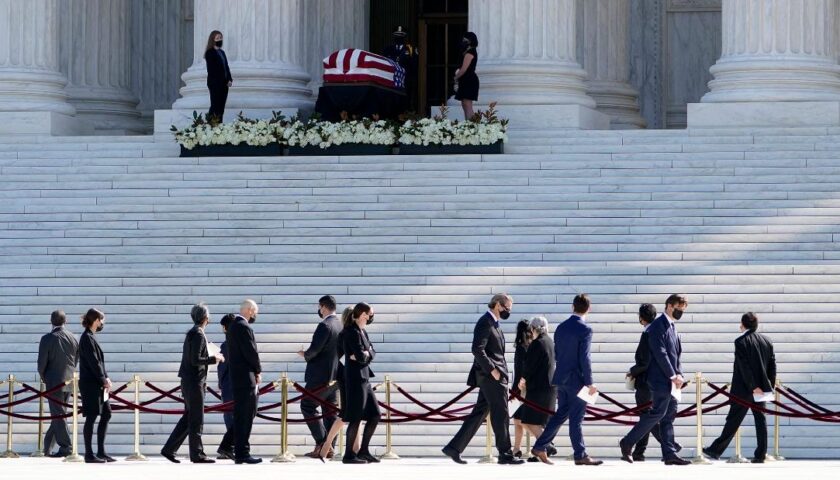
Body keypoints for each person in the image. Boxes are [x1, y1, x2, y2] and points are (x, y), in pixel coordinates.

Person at [442, 293, 524, 465]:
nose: (508, 311)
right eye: (507, 308)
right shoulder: (485, 322)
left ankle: (454, 447)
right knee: (501, 414)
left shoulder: (494, 323)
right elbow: (477, 349)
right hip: (492, 377)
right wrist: (493, 370)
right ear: (497, 305)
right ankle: (505, 453)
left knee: (479, 413)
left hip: (493, 377)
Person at [531, 295, 603, 466]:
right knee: (576, 419)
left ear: (573, 307)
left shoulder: (561, 327)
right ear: (589, 309)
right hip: (577, 381)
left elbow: (558, 354)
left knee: (560, 415)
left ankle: (540, 446)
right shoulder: (585, 329)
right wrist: (589, 382)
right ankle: (580, 454)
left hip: (561, 378)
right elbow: (585, 358)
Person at [620, 294, 690, 466]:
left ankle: (669, 454)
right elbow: (660, 353)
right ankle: (627, 442)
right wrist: (672, 375)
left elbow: (676, 355)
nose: (681, 312)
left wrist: (679, 374)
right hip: (660, 379)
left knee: (667, 417)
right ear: (669, 306)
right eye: (678, 308)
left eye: (683, 310)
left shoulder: (672, 327)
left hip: (672, 381)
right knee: (658, 413)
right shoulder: (658, 326)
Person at [704, 312, 776, 463]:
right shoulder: (767, 341)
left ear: (743, 324)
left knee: (733, 420)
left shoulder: (740, 341)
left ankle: (715, 450)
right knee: (760, 421)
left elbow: (744, 367)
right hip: (762, 390)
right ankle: (760, 454)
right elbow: (772, 366)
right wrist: (769, 385)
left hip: (744, 389)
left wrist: (753, 386)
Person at [161, 304, 225, 464]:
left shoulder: (194, 333)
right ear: (206, 318)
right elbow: (195, 360)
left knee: (189, 418)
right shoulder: (198, 334)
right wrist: (213, 359)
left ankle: (169, 449)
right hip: (194, 382)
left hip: (190, 381)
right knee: (196, 419)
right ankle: (197, 454)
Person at [626, 303, 676, 461]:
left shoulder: (648, 334)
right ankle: (641, 451)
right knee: (650, 416)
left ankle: (668, 444)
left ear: (641, 318)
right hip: (654, 381)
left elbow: (645, 361)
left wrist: (633, 371)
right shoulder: (657, 330)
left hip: (646, 382)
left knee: (649, 416)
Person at [298, 295, 342, 458]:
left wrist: (305, 355)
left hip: (320, 376)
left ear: (323, 307)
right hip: (335, 375)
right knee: (330, 412)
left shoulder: (324, 325)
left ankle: (323, 443)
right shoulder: (340, 324)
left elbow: (315, 349)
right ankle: (329, 446)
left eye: (320, 307)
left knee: (307, 405)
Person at [317, 307, 362, 462]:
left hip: (349, 376)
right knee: (346, 414)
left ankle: (355, 449)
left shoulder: (349, 332)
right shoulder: (347, 334)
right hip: (348, 378)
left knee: (353, 414)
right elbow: (347, 356)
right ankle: (328, 444)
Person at [341, 303, 381, 464]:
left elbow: (371, 352)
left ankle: (364, 450)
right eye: (370, 314)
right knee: (355, 417)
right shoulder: (351, 332)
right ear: (363, 314)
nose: (372, 317)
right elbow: (361, 356)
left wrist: (367, 352)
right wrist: (366, 353)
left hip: (364, 378)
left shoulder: (362, 331)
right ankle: (349, 455)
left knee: (375, 414)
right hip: (355, 379)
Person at [37, 310, 79, 458]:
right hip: (70, 380)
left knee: (58, 414)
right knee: (59, 414)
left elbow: (41, 363)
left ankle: (66, 447)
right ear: (65, 321)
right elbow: (76, 360)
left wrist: (43, 377)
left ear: (51, 321)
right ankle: (47, 446)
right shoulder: (74, 337)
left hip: (54, 381)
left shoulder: (47, 338)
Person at [227, 299, 262, 464]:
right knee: (246, 416)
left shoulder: (233, 326)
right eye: (255, 311)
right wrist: (258, 370)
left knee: (241, 416)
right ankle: (243, 452)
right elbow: (251, 352)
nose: (255, 315)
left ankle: (239, 451)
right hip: (246, 377)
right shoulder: (244, 326)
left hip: (237, 377)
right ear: (249, 310)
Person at [517, 317, 557, 462]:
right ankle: (545, 447)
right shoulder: (550, 342)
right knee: (538, 421)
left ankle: (546, 444)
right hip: (551, 387)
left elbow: (529, 365)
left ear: (534, 329)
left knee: (527, 420)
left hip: (539, 388)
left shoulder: (537, 344)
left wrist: (523, 379)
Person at [78, 308, 114, 463]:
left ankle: (101, 451)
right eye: (102, 320)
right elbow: (94, 362)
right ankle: (89, 454)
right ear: (96, 320)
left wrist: (106, 377)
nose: (103, 323)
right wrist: (103, 379)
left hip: (97, 383)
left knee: (106, 414)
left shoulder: (91, 337)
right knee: (91, 417)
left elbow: (99, 362)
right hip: (90, 384)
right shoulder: (86, 338)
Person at [382, 26, 418, 112]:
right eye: (397, 35)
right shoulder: (388, 49)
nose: (399, 37)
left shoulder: (410, 49)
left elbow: (414, 65)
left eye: (401, 35)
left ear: (405, 36)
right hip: (391, 78)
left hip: (406, 80)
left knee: (405, 100)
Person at [216, 313, 237, 460]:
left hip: (230, 385)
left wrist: (220, 383)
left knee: (230, 416)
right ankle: (230, 447)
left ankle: (228, 447)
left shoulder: (227, 344)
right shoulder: (239, 342)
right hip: (238, 385)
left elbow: (223, 368)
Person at [511, 319, 531, 458]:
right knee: (519, 420)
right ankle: (516, 448)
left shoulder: (520, 347)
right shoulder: (529, 346)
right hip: (524, 386)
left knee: (519, 421)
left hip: (519, 387)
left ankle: (545, 443)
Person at [205, 30, 232, 123]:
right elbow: (212, 70)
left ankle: (219, 127)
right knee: (215, 106)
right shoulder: (209, 53)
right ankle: (211, 126)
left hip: (224, 84)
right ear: (212, 40)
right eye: (217, 38)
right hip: (215, 83)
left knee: (221, 107)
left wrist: (229, 79)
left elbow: (226, 67)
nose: (219, 40)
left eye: (220, 38)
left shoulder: (222, 52)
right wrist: (221, 81)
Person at [453, 32, 479, 120]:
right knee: (465, 104)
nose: (463, 41)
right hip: (466, 80)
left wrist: (455, 78)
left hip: (469, 80)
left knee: (467, 105)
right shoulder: (467, 52)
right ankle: (469, 125)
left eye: (465, 39)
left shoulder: (470, 53)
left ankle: (471, 126)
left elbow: (464, 69)